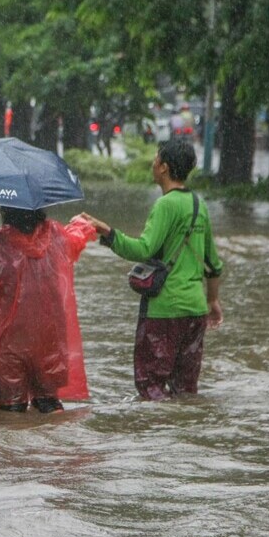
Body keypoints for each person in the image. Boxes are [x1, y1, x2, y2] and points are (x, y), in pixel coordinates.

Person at [84, 139, 224, 401]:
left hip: (164, 311)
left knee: (151, 387)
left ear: (164, 167)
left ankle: (159, 427)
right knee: (185, 390)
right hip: (195, 311)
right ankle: (185, 426)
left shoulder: (165, 205)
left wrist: (107, 232)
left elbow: (143, 249)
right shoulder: (199, 204)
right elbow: (214, 264)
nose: (153, 162)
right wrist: (212, 300)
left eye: (156, 158)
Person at [0, 207, 96, 413]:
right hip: (50, 340)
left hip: (10, 342)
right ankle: (58, 434)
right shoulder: (55, 234)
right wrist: (81, 222)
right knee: (49, 405)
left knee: (12, 411)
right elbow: (75, 240)